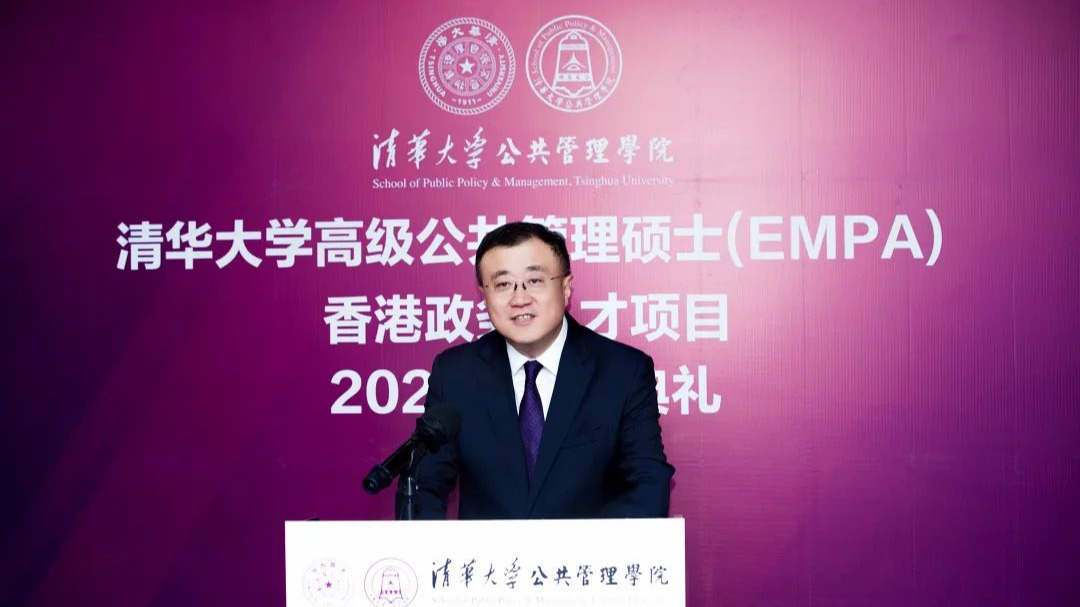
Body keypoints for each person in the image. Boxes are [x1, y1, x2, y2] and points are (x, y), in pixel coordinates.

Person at [409, 221, 674, 519]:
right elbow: (423, 486)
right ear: (484, 295)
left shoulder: (622, 372)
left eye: (534, 281)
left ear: (566, 286)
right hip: (486, 552)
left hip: (588, 550)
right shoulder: (456, 374)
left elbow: (647, 484)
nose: (520, 299)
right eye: (502, 284)